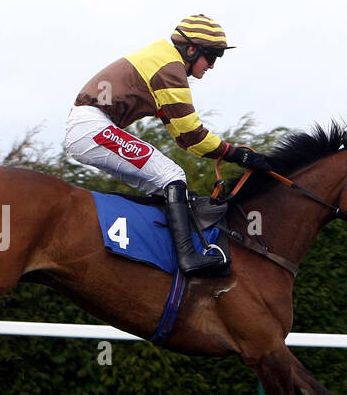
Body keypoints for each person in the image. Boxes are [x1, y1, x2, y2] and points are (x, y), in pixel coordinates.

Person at [66, 14, 273, 276]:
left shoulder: (163, 60)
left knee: (162, 185)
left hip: (91, 126)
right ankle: (187, 257)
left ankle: (153, 252)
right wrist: (237, 154)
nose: (212, 66)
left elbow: (184, 138)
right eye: (211, 57)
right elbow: (192, 133)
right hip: (93, 127)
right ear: (191, 49)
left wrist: (232, 153)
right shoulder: (169, 69)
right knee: (173, 175)